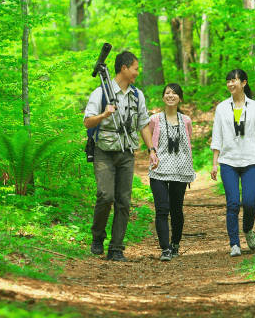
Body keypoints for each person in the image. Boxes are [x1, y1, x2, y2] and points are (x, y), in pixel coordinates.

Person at [84, 51, 159, 262]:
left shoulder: (137, 95)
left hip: (126, 153)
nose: (138, 72)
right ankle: (98, 236)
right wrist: (104, 115)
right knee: (105, 196)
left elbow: (142, 124)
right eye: (135, 68)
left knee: (124, 201)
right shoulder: (100, 93)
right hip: (104, 152)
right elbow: (88, 121)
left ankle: (116, 248)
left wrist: (151, 150)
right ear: (124, 68)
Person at [210, 69, 255, 257]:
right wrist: (214, 162)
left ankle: (248, 229)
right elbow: (217, 135)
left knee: (250, 203)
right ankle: (234, 244)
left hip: (251, 161)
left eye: (234, 80)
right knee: (233, 203)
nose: (230, 84)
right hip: (228, 161)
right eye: (228, 81)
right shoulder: (221, 107)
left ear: (243, 83)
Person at [148, 83, 196, 261]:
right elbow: (149, 139)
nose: (171, 96)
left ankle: (175, 243)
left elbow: (188, 143)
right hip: (158, 170)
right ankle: (165, 248)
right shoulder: (154, 119)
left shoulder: (186, 120)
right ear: (163, 97)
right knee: (162, 209)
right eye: (167, 93)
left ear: (180, 99)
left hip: (181, 170)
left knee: (177, 209)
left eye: (174, 93)